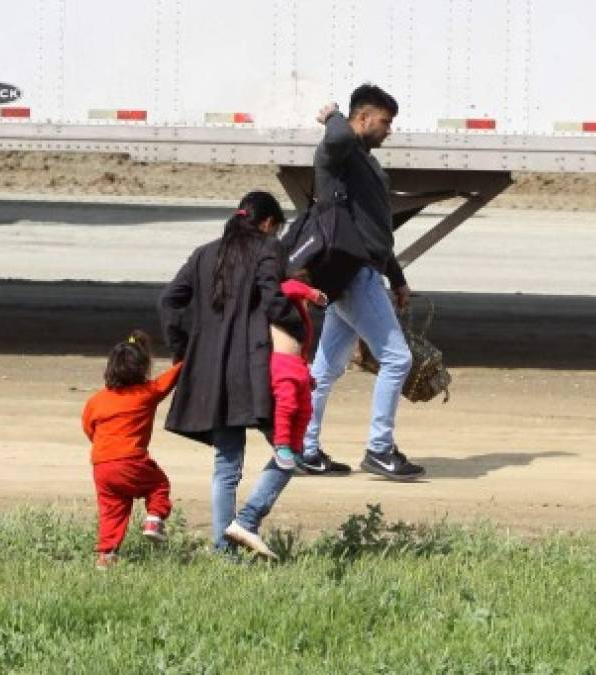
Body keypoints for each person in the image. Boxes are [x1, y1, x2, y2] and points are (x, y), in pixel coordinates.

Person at [159, 190, 304, 560]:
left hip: (209, 373)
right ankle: (249, 518)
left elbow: (169, 301)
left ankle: (224, 550)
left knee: (226, 463)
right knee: (291, 451)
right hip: (254, 372)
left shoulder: (204, 254)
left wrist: (182, 349)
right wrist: (300, 329)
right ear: (268, 223)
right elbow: (273, 301)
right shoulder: (268, 251)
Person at [297, 83, 425, 481]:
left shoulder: (364, 162)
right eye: (385, 122)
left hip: (360, 271)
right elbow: (335, 134)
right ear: (363, 119)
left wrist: (397, 278)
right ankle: (380, 449)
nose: (389, 130)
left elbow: (377, 230)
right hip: (352, 274)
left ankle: (303, 448)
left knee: (326, 368)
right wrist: (333, 115)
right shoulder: (338, 151)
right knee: (397, 359)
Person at [81, 330, 181, 569]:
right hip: (131, 459)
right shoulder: (147, 393)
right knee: (158, 485)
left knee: (111, 510)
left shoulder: (96, 400)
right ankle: (154, 521)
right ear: (142, 368)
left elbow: (88, 427)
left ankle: (106, 555)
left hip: (102, 465)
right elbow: (173, 376)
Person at [268, 275, 327, 471]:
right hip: (282, 364)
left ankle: (294, 448)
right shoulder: (283, 299)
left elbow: (303, 350)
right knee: (287, 405)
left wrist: (308, 376)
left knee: (305, 411)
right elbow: (287, 286)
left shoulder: (301, 317)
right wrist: (311, 293)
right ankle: (282, 445)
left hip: (297, 367)